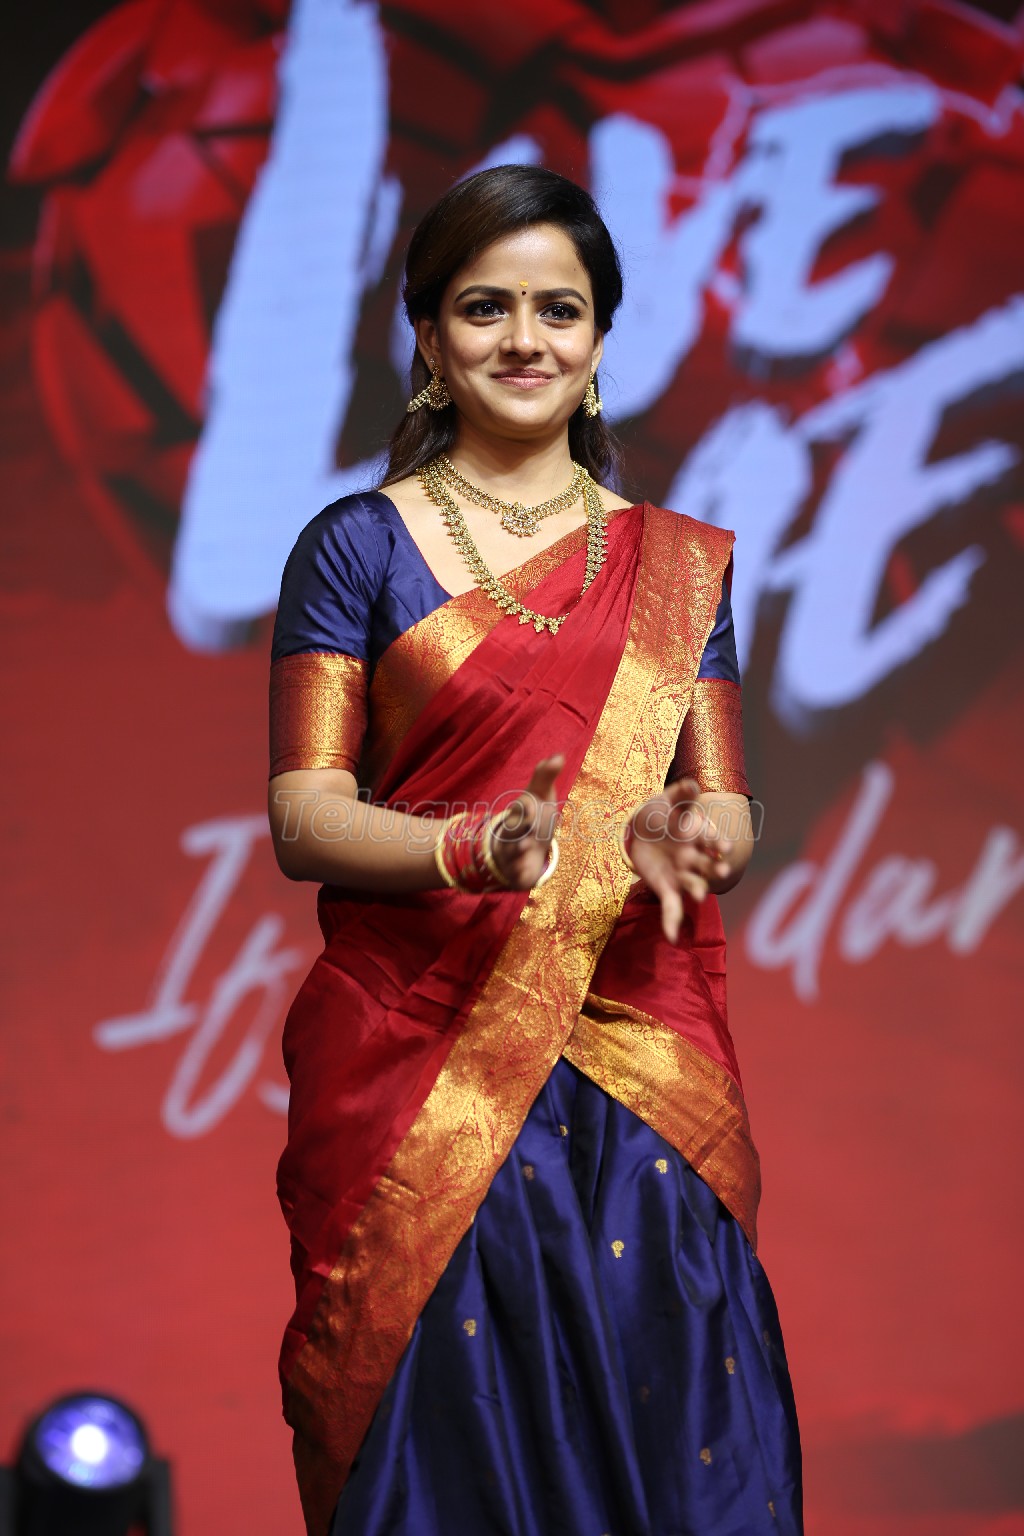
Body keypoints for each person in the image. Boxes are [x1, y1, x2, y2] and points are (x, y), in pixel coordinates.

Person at [267, 164, 803, 1536]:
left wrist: (695, 830)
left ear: (600, 338)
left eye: (558, 309)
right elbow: (304, 814)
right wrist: (470, 849)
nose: (525, 339)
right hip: (418, 1057)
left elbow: (729, 807)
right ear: (429, 339)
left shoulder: (679, 565)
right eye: (483, 307)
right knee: (450, 1449)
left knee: (678, 1440)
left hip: (638, 1058)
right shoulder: (357, 547)